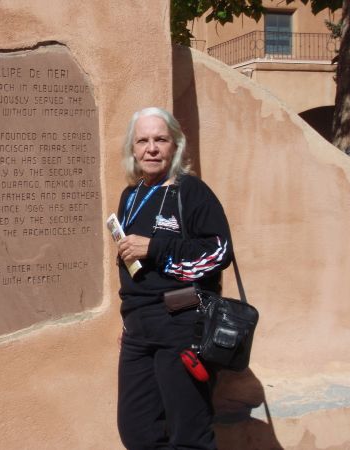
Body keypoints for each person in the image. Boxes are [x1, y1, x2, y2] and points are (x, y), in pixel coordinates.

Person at [115, 107, 233, 449]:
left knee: (188, 433)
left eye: (160, 139)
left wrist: (157, 248)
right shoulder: (131, 196)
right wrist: (128, 322)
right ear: (133, 149)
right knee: (138, 431)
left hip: (181, 324)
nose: (151, 148)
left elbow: (218, 252)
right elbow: (130, 270)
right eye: (143, 140)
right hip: (138, 331)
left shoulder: (190, 191)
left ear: (175, 146)